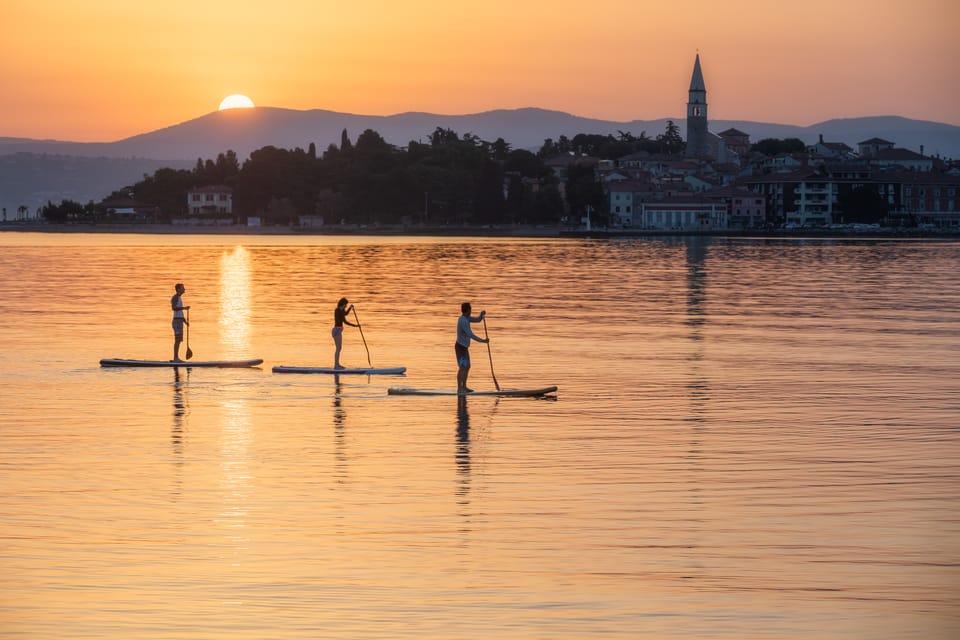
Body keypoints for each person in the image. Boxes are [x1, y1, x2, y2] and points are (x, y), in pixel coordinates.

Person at [456, 302, 488, 394]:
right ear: (468, 310)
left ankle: (464, 387)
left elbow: (477, 320)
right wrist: (483, 341)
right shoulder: (463, 321)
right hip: (460, 348)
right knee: (462, 367)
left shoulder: (466, 318)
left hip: (465, 348)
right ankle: (459, 388)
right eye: (470, 309)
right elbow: (470, 335)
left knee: (468, 366)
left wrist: (481, 315)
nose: (471, 311)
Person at [332, 297, 358, 369]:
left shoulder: (342, 311)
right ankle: (336, 365)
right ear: (343, 304)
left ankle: (337, 364)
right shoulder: (337, 311)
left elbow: (345, 314)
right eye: (346, 305)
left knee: (339, 348)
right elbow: (344, 321)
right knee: (338, 348)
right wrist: (354, 325)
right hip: (336, 330)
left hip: (339, 330)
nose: (346, 306)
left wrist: (350, 308)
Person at [171, 283, 190, 361]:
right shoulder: (175, 297)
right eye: (183, 288)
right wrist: (184, 308)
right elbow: (174, 308)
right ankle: (175, 358)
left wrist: (185, 321)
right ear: (178, 289)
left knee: (179, 340)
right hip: (176, 322)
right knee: (177, 340)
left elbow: (180, 313)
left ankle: (176, 358)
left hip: (180, 321)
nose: (184, 289)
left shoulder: (179, 298)